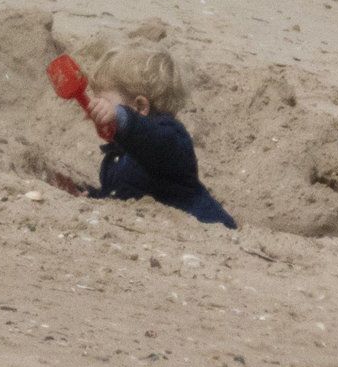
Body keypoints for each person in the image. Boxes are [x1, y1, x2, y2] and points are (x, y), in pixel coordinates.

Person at [74, 45, 236, 229]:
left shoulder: (171, 139)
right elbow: (123, 194)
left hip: (207, 225)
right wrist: (95, 196)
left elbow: (151, 139)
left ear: (140, 106)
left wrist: (121, 117)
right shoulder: (117, 155)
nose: (96, 109)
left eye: (105, 103)